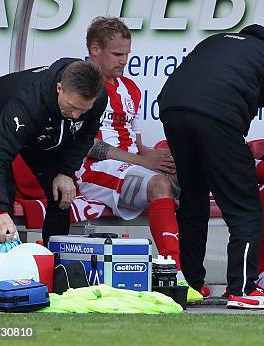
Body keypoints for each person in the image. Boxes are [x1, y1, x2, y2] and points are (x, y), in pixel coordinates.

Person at [157, 24, 264, 309]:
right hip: (217, 116)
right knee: (244, 208)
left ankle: (191, 285)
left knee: (194, 202)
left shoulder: (215, 41)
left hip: (171, 108)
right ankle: (243, 288)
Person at [73, 17, 203, 303]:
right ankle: (174, 274)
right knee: (158, 184)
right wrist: (143, 162)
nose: (124, 61)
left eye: (127, 54)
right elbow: (86, 145)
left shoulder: (129, 88)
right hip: (93, 171)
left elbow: (134, 140)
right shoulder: (81, 85)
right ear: (95, 49)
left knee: (193, 177)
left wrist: (154, 156)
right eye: (117, 54)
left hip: (129, 166)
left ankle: (194, 275)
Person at [0, 58, 106, 245]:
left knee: (60, 190)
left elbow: (86, 135)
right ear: (59, 88)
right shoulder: (27, 104)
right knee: (3, 188)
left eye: (83, 110)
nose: (76, 116)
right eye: (73, 108)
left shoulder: (98, 97)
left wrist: (66, 172)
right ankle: (6, 250)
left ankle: (56, 259)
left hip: (44, 121)